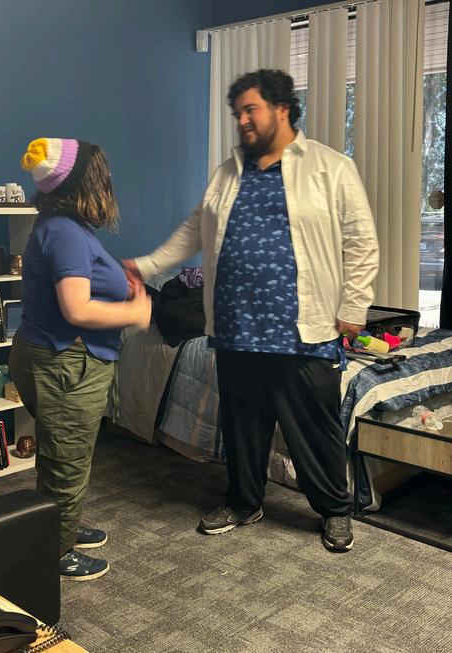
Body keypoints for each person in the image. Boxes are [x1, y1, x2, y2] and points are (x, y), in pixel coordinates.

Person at [124, 69, 379, 552]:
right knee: (242, 422)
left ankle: (334, 509)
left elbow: (362, 242)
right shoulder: (229, 172)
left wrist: (354, 305)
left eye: (250, 109)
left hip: (302, 327)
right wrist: (145, 265)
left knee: (314, 425)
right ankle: (244, 501)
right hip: (237, 325)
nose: (241, 120)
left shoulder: (330, 167)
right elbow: (194, 229)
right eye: (237, 112)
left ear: (282, 109)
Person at [9, 138, 151, 580]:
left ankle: (58, 525)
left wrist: (116, 276)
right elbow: (77, 309)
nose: (109, 183)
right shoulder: (66, 232)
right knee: (66, 462)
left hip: (58, 359)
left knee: (62, 455)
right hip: (66, 364)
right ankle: (54, 551)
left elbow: (77, 282)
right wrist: (135, 313)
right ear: (85, 183)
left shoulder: (63, 228)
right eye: (103, 175)